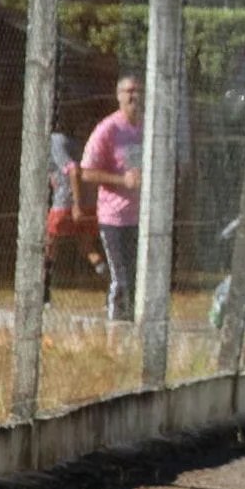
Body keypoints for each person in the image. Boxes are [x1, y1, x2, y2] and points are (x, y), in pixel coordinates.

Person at [80, 75, 143, 322]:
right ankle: (114, 328)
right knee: (121, 277)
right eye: (128, 91)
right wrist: (122, 181)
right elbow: (87, 171)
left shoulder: (149, 128)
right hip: (115, 217)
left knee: (140, 277)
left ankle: (136, 326)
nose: (133, 96)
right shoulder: (108, 129)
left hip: (142, 216)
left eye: (138, 91)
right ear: (119, 96)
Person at [44, 131, 106, 305]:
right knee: (87, 247)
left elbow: (73, 170)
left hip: (68, 201)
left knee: (49, 243)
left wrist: (76, 204)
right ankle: (113, 285)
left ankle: (43, 295)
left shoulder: (54, 140)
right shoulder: (75, 142)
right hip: (87, 200)